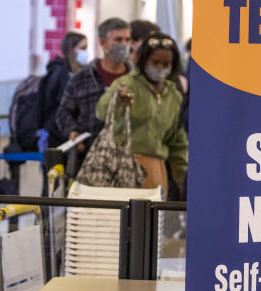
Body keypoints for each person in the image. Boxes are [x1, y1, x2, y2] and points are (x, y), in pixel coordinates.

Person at [96, 33, 188, 193]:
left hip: (157, 171)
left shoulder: (174, 95)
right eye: (156, 62)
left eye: (166, 63)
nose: (160, 67)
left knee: (154, 218)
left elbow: (178, 144)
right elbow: (101, 112)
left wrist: (184, 181)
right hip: (123, 167)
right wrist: (117, 98)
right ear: (144, 60)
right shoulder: (126, 84)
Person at [56, 18, 131, 168]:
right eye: (118, 39)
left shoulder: (136, 80)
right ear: (103, 43)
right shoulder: (82, 79)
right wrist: (73, 131)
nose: (124, 45)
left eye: (127, 39)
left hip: (127, 160)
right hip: (88, 160)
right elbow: (63, 112)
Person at [39, 31, 88, 148]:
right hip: (57, 136)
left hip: (67, 134)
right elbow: (62, 107)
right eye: (82, 48)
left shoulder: (75, 72)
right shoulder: (60, 73)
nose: (85, 52)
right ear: (71, 49)